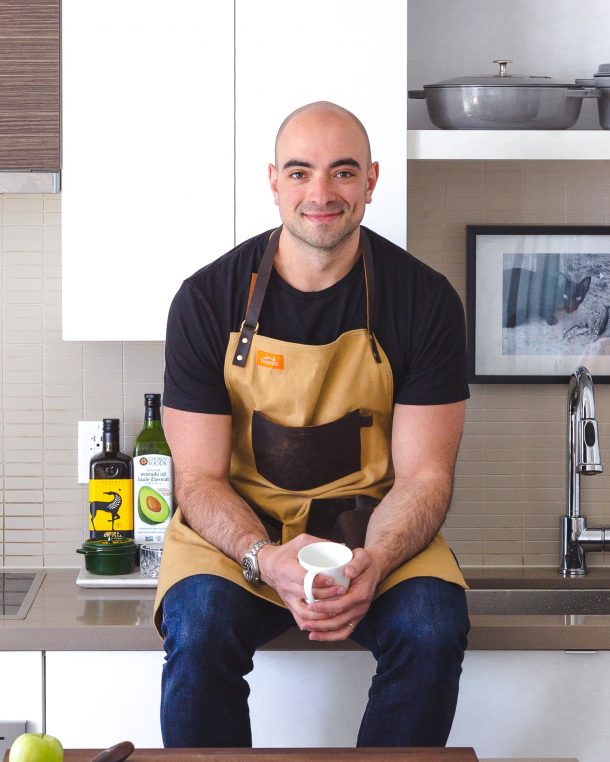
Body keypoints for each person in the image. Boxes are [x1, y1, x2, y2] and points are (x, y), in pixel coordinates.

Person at [155, 101, 470, 749]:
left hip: (373, 531)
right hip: (241, 536)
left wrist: (376, 562)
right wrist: (263, 558)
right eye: (300, 172)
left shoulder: (425, 300)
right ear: (274, 182)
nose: (321, 194)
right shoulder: (206, 300)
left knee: (431, 627)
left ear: (371, 181)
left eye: (343, 172)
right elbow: (199, 478)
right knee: (200, 629)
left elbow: (425, 475)